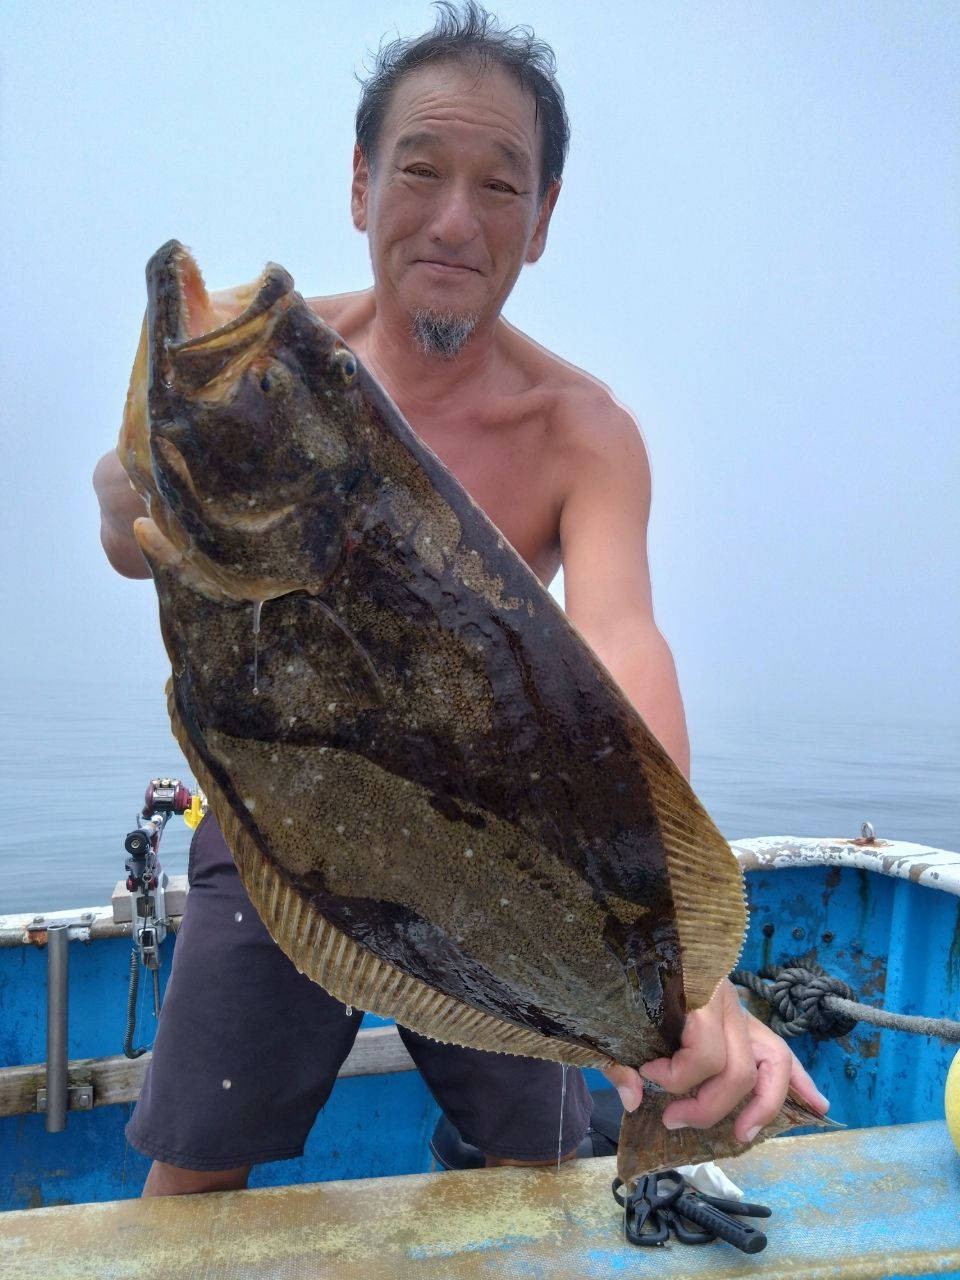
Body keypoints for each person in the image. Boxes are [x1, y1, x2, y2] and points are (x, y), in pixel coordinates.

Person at [93, 2, 828, 1197]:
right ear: (360, 182)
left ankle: (638, 1113)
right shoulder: (280, 371)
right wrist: (126, 490)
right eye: (420, 170)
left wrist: (687, 971)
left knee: (545, 1166)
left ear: (542, 218)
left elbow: (622, 646)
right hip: (285, 821)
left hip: (494, 838)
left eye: (499, 186)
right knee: (193, 1172)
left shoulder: (580, 432)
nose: (452, 220)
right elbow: (143, 536)